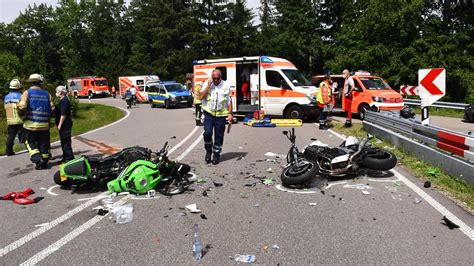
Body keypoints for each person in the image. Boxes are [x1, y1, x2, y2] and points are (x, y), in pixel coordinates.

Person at [17, 74, 54, 169]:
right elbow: (53, 109)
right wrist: (51, 123)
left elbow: (22, 106)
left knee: (29, 143)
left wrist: (21, 115)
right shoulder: (47, 94)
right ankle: (44, 162)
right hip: (45, 125)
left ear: (30, 82)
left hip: (30, 125)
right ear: (40, 83)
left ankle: (38, 159)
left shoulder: (27, 93)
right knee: (43, 144)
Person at [199, 69, 233, 165]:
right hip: (209, 113)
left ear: (220, 77)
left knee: (219, 136)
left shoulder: (226, 85)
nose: (216, 80)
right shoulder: (207, 83)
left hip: (221, 115)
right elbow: (201, 97)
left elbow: (229, 101)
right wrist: (209, 86)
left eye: (218, 78)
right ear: (211, 77)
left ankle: (216, 155)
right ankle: (208, 151)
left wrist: (230, 113)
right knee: (207, 133)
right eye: (214, 78)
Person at [4, 79, 24, 156]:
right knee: (24, 135)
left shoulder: (6, 97)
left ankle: (8, 152)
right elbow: (23, 107)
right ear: (18, 87)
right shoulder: (21, 96)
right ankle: (31, 149)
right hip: (20, 119)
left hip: (10, 120)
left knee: (11, 137)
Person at [55, 85, 74, 162]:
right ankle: (66, 157)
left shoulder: (64, 101)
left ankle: (69, 158)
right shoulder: (62, 100)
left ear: (61, 92)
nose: (56, 93)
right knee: (63, 141)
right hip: (64, 125)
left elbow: (63, 114)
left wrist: (59, 124)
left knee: (66, 141)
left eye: (57, 91)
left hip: (65, 124)